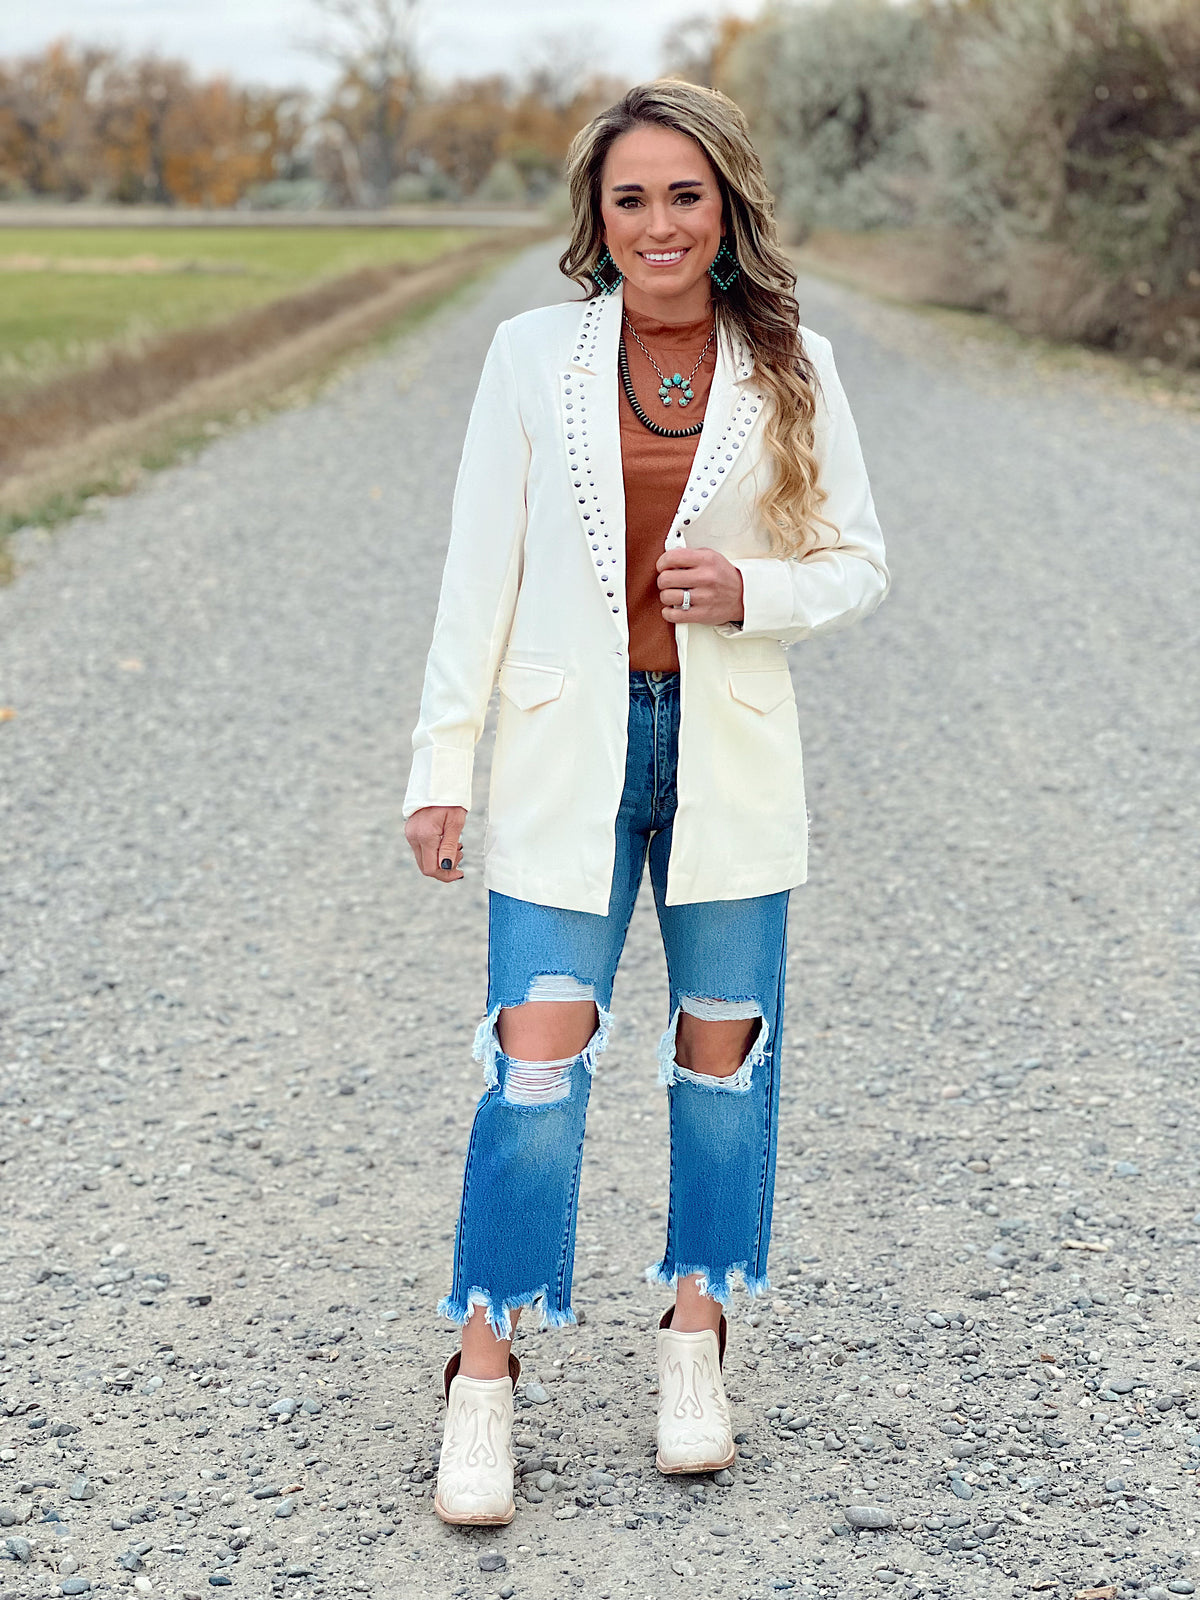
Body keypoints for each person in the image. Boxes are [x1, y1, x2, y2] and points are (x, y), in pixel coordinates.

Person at [403, 79, 889, 1527]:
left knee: (723, 1068)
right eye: (631, 198)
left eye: (685, 194)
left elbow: (859, 561)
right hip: (569, 753)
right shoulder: (528, 357)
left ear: (726, 204)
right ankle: (482, 1368)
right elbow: (473, 570)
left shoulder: (790, 360)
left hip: (728, 752)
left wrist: (755, 589)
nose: (660, 223)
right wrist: (442, 763)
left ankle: (696, 1335)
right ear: (597, 219)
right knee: (535, 1062)